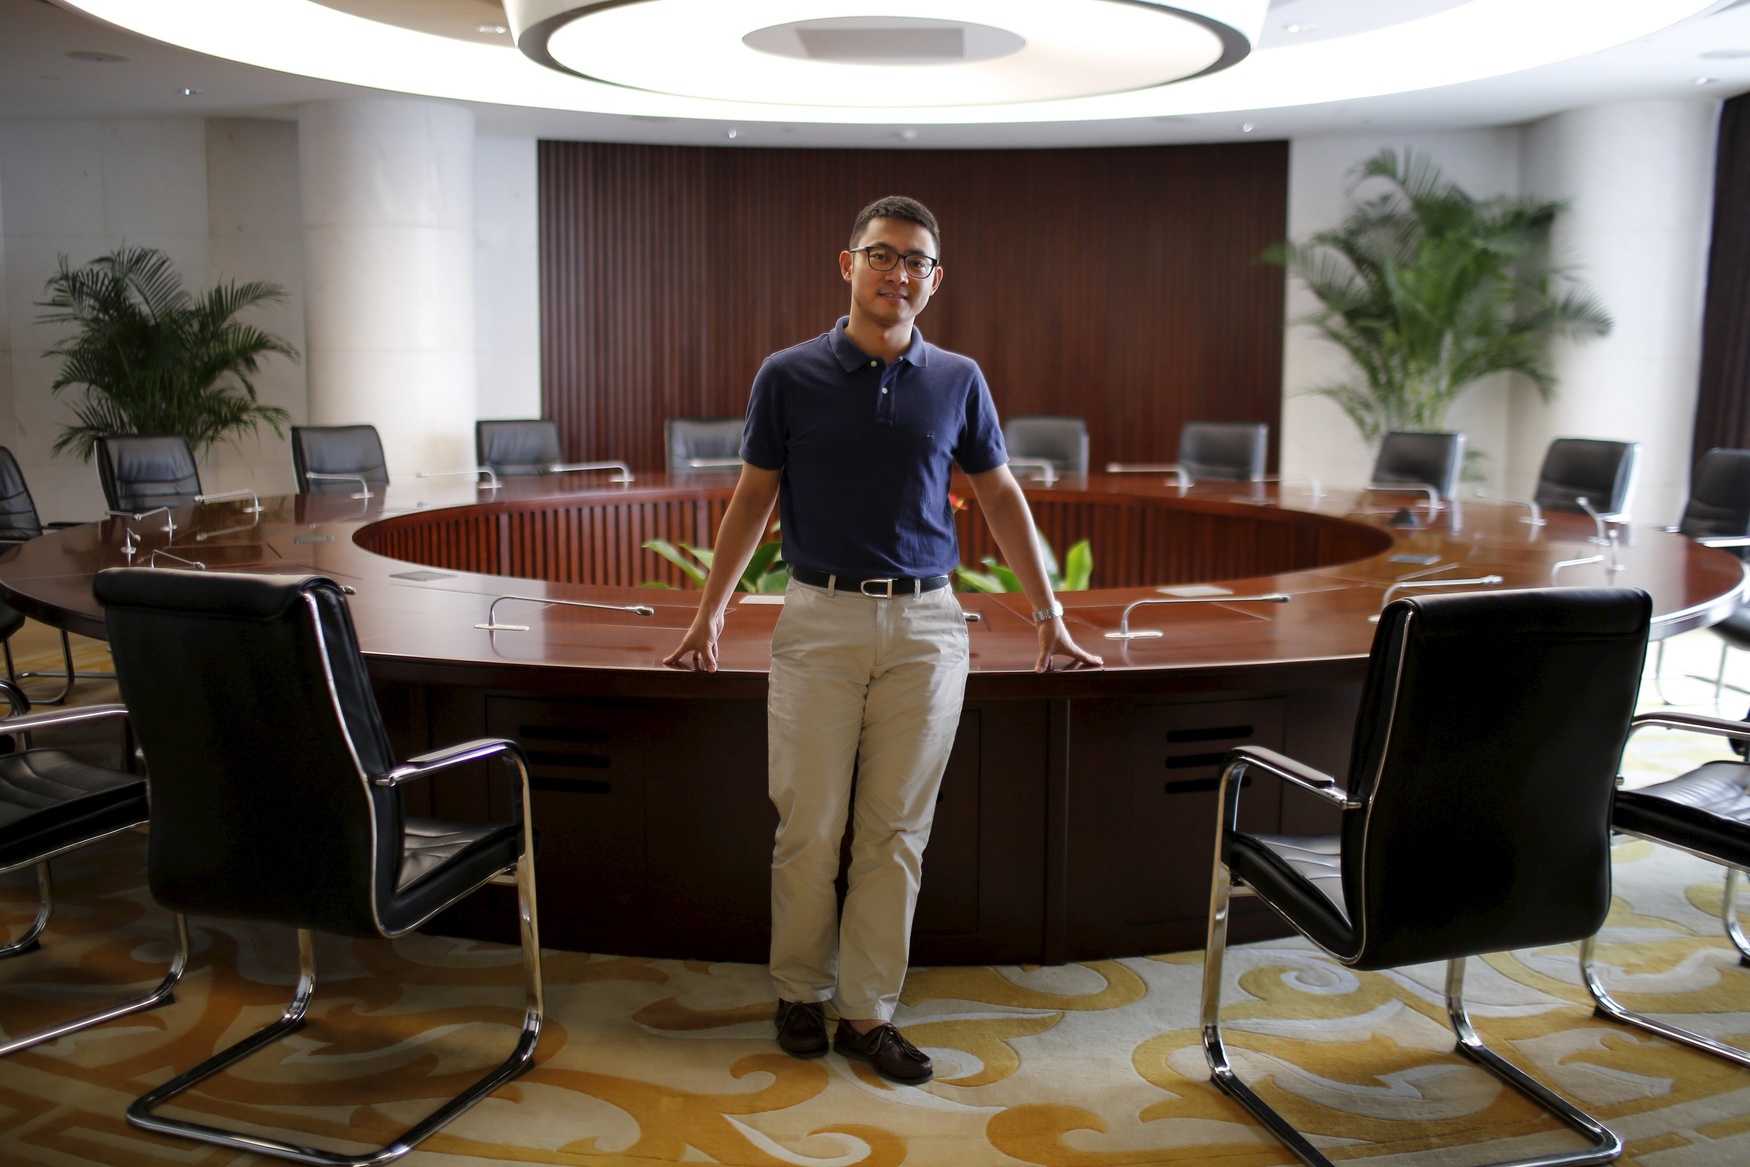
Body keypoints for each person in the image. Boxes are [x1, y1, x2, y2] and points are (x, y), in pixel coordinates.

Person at [663, 195, 1101, 1083]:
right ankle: (797, 990)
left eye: (916, 262)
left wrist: (1052, 615)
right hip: (818, 619)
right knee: (811, 825)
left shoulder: (960, 378)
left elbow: (1004, 498)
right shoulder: (786, 375)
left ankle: (867, 1013)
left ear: (935, 281)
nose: (898, 273)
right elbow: (753, 498)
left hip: (929, 626)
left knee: (897, 832)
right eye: (882, 254)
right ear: (847, 263)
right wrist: (708, 611)